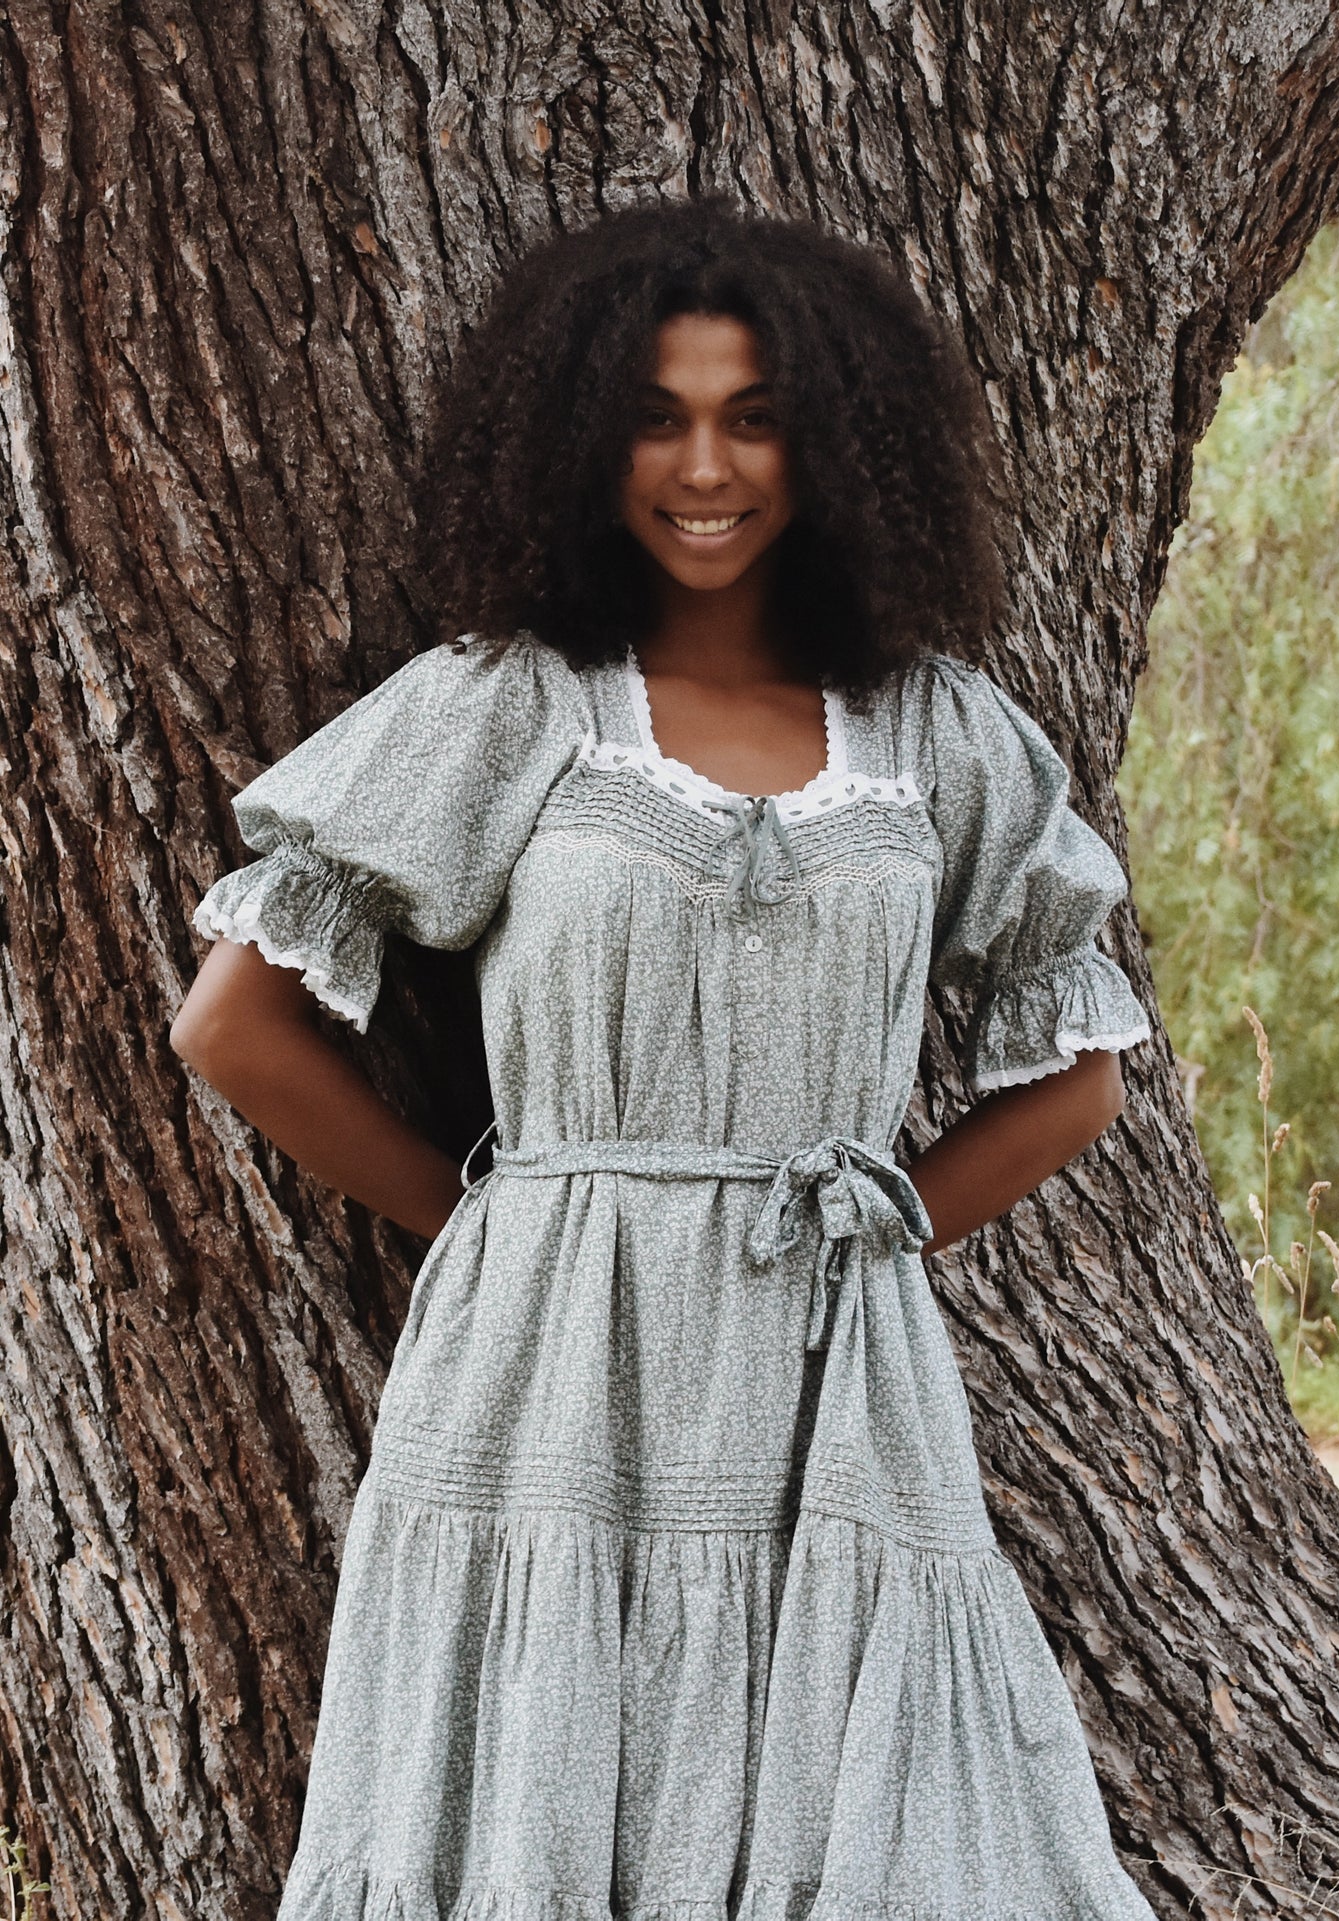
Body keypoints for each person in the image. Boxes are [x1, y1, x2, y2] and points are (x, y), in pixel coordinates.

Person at [171, 196, 1157, 1921]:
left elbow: (1077, 1076)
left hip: (834, 1357)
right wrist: (502, 1215)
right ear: (582, 443)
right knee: (554, 1760)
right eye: (656, 417)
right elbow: (232, 1023)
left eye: (753, 417)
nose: (705, 467)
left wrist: (886, 1230)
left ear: (832, 443)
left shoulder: (934, 730)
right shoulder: (511, 704)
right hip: (550, 1353)